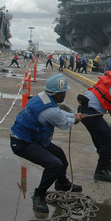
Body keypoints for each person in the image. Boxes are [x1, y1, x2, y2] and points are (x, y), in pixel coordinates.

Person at [10, 74, 85, 213]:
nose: (65, 94)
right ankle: (39, 195)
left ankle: (62, 182)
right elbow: (63, 123)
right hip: (22, 142)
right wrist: (75, 119)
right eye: (64, 92)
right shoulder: (50, 111)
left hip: (34, 138)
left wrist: (73, 114)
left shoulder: (43, 97)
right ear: (57, 95)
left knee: (60, 156)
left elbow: (59, 112)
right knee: (54, 164)